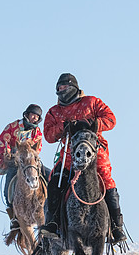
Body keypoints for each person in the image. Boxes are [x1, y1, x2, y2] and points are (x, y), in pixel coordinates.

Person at [40, 73, 127, 243]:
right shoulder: (54, 111)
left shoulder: (92, 102)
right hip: (69, 155)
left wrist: (91, 123)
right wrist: (63, 127)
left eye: (64, 87)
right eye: (58, 88)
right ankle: (53, 223)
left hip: (95, 153)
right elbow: (49, 136)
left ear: (73, 86)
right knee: (55, 180)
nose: (60, 90)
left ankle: (116, 227)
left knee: (107, 182)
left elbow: (111, 119)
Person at [0, 104, 48, 231]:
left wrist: (32, 156)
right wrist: (8, 154)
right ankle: (14, 218)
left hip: (31, 160)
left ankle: (52, 209)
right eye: (33, 115)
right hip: (15, 160)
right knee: (7, 188)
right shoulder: (13, 127)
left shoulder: (37, 132)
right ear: (27, 114)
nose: (34, 118)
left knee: (50, 175)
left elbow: (38, 146)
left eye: (37, 117)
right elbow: (3, 139)